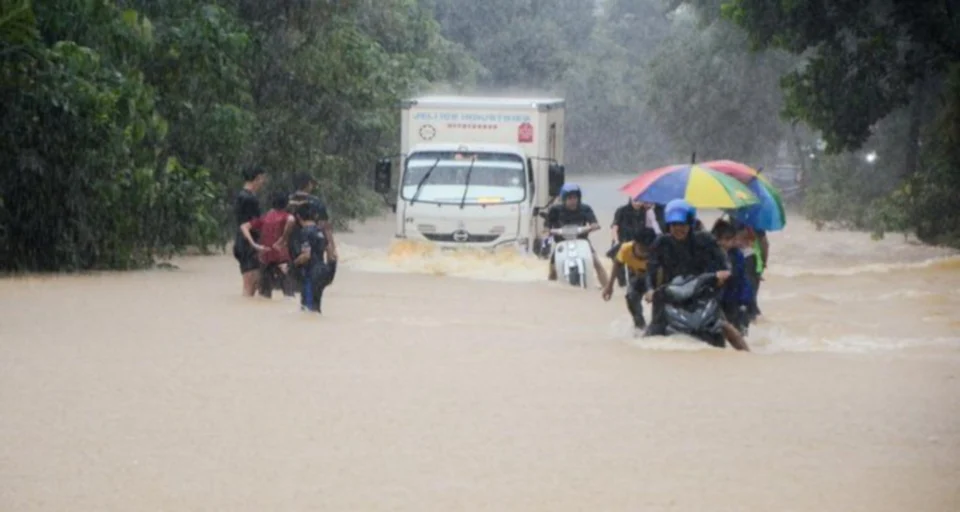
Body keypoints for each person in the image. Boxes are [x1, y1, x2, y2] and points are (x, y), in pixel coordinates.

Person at [642, 199, 749, 351]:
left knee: (722, 324)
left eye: (683, 225)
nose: (678, 229)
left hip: (701, 289)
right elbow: (650, 269)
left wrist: (723, 274)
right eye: (674, 225)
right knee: (655, 328)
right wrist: (650, 289)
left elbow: (723, 260)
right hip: (672, 291)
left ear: (690, 224)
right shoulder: (661, 243)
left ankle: (748, 355)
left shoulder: (704, 239)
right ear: (668, 226)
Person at [544, 183, 609, 287]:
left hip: (582, 242)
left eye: (575, 197)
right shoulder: (555, 210)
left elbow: (594, 223)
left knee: (596, 263)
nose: (573, 201)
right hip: (561, 243)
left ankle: (607, 288)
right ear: (564, 199)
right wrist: (548, 232)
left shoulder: (585, 208)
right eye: (569, 198)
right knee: (553, 269)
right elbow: (547, 227)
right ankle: (551, 291)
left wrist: (593, 226)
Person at [240, 192, 297, 299]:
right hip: (281, 258)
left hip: (265, 257)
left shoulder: (265, 217)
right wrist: (283, 239)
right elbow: (291, 220)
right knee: (289, 295)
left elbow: (244, 226)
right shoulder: (285, 216)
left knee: (264, 296)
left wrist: (255, 245)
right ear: (286, 205)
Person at [602, 227, 658, 331]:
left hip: (656, 279)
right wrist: (609, 286)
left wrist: (652, 290)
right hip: (637, 278)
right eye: (642, 249)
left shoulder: (657, 251)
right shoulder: (626, 249)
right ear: (635, 243)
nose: (645, 253)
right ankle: (640, 327)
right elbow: (617, 265)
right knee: (631, 297)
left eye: (648, 249)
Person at [292, 202, 338, 314]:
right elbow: (332, 253)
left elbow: (306, 255)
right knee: (316, 308)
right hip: (324, 271)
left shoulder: (305, 232)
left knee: (307, 311)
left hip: (312, 274)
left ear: (298, 217)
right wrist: (330, 269)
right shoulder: (320, 231)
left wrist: (293, 264)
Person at [712, 219, 754, 335]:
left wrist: (744, 303)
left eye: (728, 239)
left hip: (734, 301)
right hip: (716, 301)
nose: (725, 243)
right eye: (722, 239)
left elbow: (742, 280)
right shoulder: (709, 253)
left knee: (737, 333)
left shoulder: (737, 255)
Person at [610, 198, 662, 287]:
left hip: (639, 242)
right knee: (616, 259)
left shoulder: (646, 212)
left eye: (640, 201)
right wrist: (616, 240)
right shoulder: (622, 210)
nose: (637, 203)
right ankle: (621, 282)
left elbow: (653, 227)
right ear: (630, 200)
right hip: (622, 241)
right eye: (635, 201)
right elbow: (615, 227)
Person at [233, 166, 268, 297]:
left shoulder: (241, 195)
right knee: (250, 285)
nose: (263, 183)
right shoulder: (249, 199)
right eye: (263, 179)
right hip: (248, 244)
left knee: (253, 283)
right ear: (257, 178)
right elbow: (252, 224)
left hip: (242, 242)